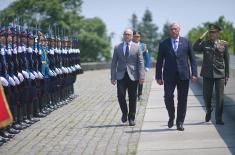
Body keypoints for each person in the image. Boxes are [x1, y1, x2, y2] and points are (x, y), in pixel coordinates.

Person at [156, 22, 197, 131]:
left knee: (182, 99)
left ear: (179, 30)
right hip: (169, 75)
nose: (173, 31)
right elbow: (159, 61)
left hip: (183, 75)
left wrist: (194, 73)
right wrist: (158, 76)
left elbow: (193, 59)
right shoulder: (164, 43)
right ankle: (171, 116)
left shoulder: (186, 42)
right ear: (169, 31)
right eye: (172, 29)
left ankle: (180, 122)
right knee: (168, 97)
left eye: (175, 29)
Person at [193, 24, 229, 125]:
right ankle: (208, 110)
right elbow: (194, 47)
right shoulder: (205, 43)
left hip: (220, 74)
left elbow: (227, 59)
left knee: (219, 97)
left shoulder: (223, 44)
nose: (212, 34)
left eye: (214, 32)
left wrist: (227, 75)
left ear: (218, 33)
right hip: (207, 74)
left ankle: (218, 118)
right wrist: (201, 37)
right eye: (210, 32)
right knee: (206, 96)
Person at [111, 28, 145, 126]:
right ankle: (124, 113)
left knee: (133, 97)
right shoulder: (117, 47)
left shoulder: (137, 47)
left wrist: (141, 76)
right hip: (121, 75)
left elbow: (141, 62)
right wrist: (113, 77)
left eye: (129, 34)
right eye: (125, 34)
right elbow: (114, 63)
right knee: (120, 95)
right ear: (123, 35)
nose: (127, 36)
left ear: (132, 36)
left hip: (133, 76)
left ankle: (131, 118)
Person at [132, 31, 150, 101]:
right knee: (132, 81)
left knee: (141, 80)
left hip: (141, 66)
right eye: (135, 36)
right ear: (133, 37)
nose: (136, 38)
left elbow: (147, 56)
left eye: (138, 36)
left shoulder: (143, 46)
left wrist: (147, 66)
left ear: (140, 37)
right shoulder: (130, 45)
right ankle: (133, 94)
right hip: (132, 66)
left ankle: (139, 94)